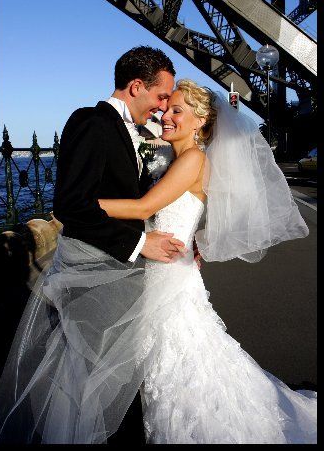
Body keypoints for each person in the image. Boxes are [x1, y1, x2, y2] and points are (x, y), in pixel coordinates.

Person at [97, 79, 317, 444]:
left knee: (179, 365)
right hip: (169, 271)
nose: (165, 115)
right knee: (179, 364)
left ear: (199, 121)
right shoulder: (180, 159)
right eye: (166, 109)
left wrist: (80, 207)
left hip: (168, 279)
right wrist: (194, 241)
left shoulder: (193, 159)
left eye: (177, 111)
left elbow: (144, 208)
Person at [0, 46, 187, 444]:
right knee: (91, 374)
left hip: (113, 273)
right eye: (161, 96)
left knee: (106, 373)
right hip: (92, 272)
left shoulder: (130, 130)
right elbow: (71, 206)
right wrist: (139, 243)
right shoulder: (91, 122)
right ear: (136, 86)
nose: (163, 107)